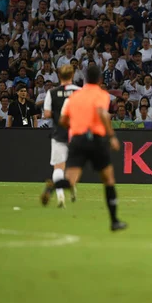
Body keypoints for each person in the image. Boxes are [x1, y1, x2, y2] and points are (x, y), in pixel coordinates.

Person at [54, 65, 126, 231]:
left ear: (85, 79)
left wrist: (76, 126)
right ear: (100, 80)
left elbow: (63, 120)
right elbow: (102, 113)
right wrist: (112, 136)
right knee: (108, 180)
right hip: (96, 139)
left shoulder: (75, 96)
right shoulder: (101, 94)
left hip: (77, 140)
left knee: (71, 181)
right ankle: (114, 221)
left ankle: (53, 185)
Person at [41, 65, 80, 209]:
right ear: (73, 75)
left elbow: (46, 114)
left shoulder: (52, 92)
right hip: (76, 133)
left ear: (59, 75)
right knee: (74, 166)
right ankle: (72, 187)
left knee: (58, 167)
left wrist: (58, 113)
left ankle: (60, 196)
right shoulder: (79, 91)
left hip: (59, 133)